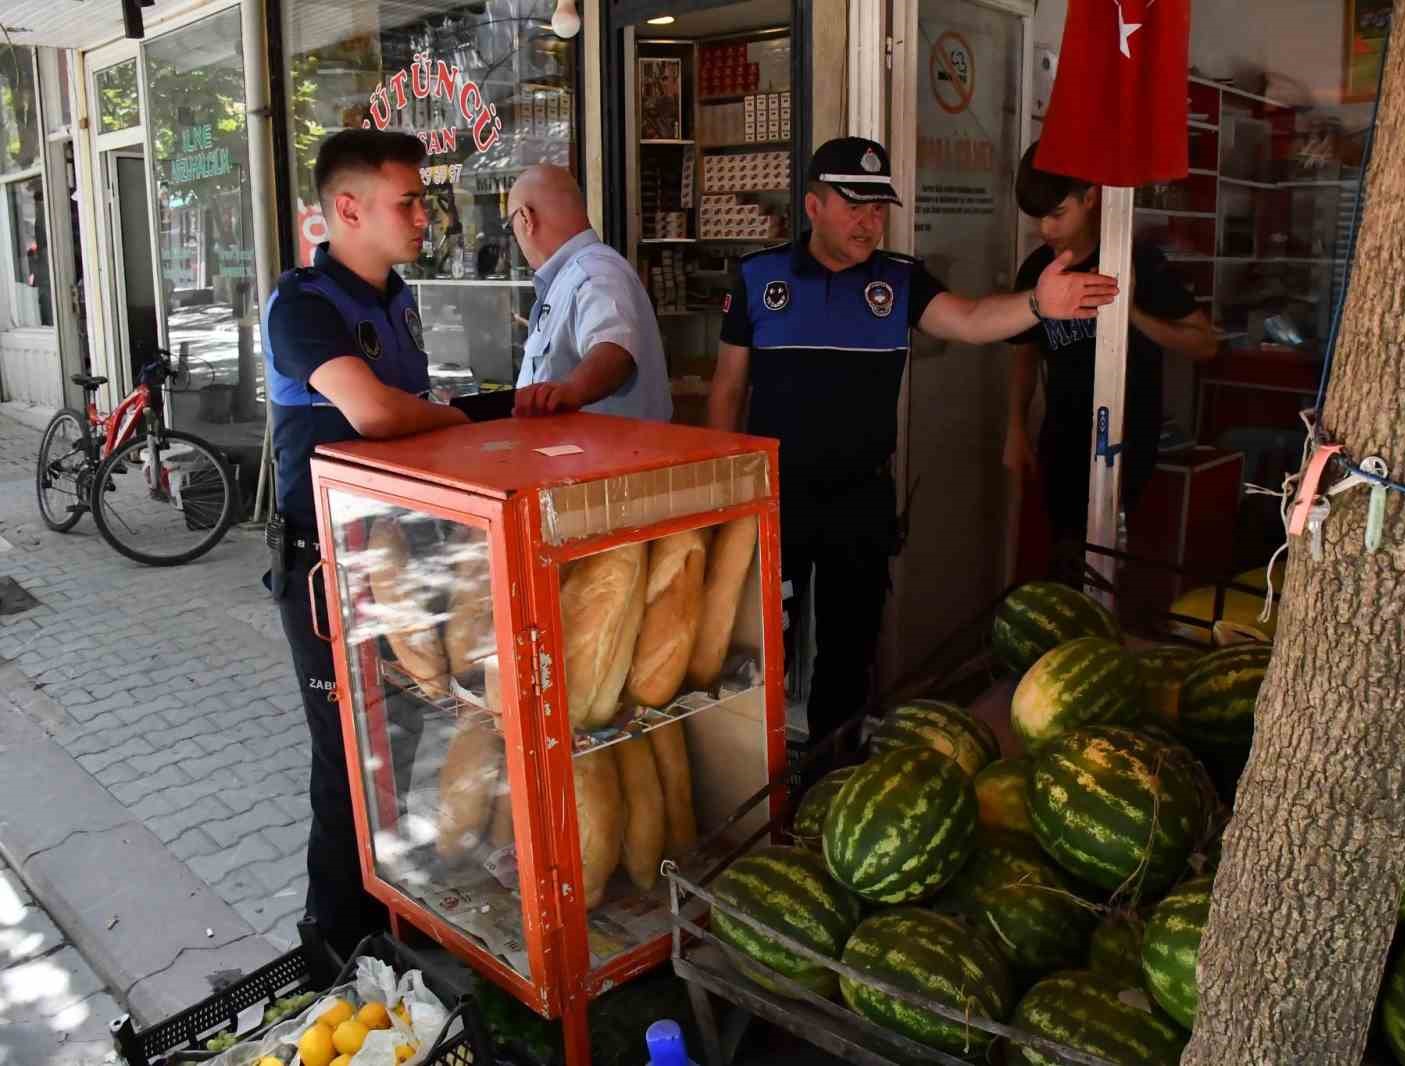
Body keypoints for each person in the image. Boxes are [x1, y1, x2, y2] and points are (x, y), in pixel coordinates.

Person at [707, 135, 1117, 762]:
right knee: (761, 647)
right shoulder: (760, 277)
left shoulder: (898, 280)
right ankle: (754, 783)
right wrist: (726, 499)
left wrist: (1038, 303)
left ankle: (829, 777)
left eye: (879, 209)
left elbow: (974, 319)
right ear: (813, 206)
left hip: (861, 503)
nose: (870, 222)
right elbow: (728, 391)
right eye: (854, 206)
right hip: (773, 500)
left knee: (848, 654)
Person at [262, 128, 469, 955]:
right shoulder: (304, 305)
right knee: (349, 767)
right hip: (327, 573)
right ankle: (332, 946)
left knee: (397, 750)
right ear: (347, 209)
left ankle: (389, 927)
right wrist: (454, 417)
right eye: (409, 201)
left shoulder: (397, 295)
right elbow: (377, 413)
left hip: (400, 559)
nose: (426, 216)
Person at [1005, 142, 1220, 543]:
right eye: (1037, 217)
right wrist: (1016, 427)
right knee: (1064, 554)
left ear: (1090, 198)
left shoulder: (1136, 261)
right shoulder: (1038, 268)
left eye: (1056, 214)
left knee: (1112, 556)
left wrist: (1132, 313)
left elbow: (1205, 344)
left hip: (1127, 439)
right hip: (1062, 436)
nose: (1045, 229)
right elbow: (1025, 354)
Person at [505, 165, 672, 420]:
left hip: (609, 456)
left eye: (511, 225)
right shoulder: (572, 276)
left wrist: (572, 390)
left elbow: (614, 349)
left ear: (526, 218)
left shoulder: (593, 273)